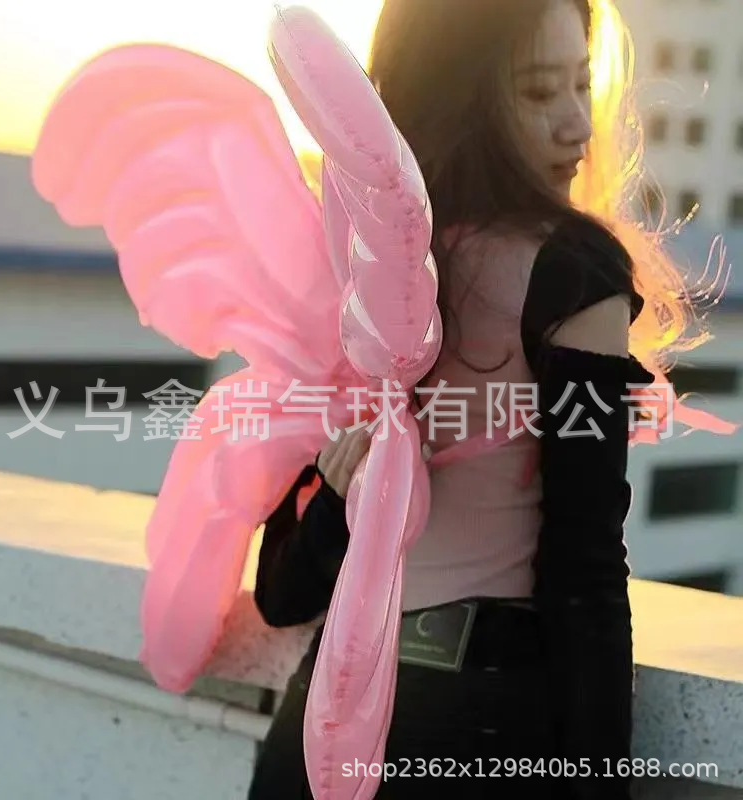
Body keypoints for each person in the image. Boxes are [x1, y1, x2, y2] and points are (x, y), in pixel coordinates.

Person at [247, 1, 711, 798]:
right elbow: (586, 571)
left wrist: (340, 497)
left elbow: (283, 597)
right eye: (539, 92)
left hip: (327, 725)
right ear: (457, 95)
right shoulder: (570, 268)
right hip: (472, 725)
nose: (578, 124)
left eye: (582, 84)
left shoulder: (353, 270)